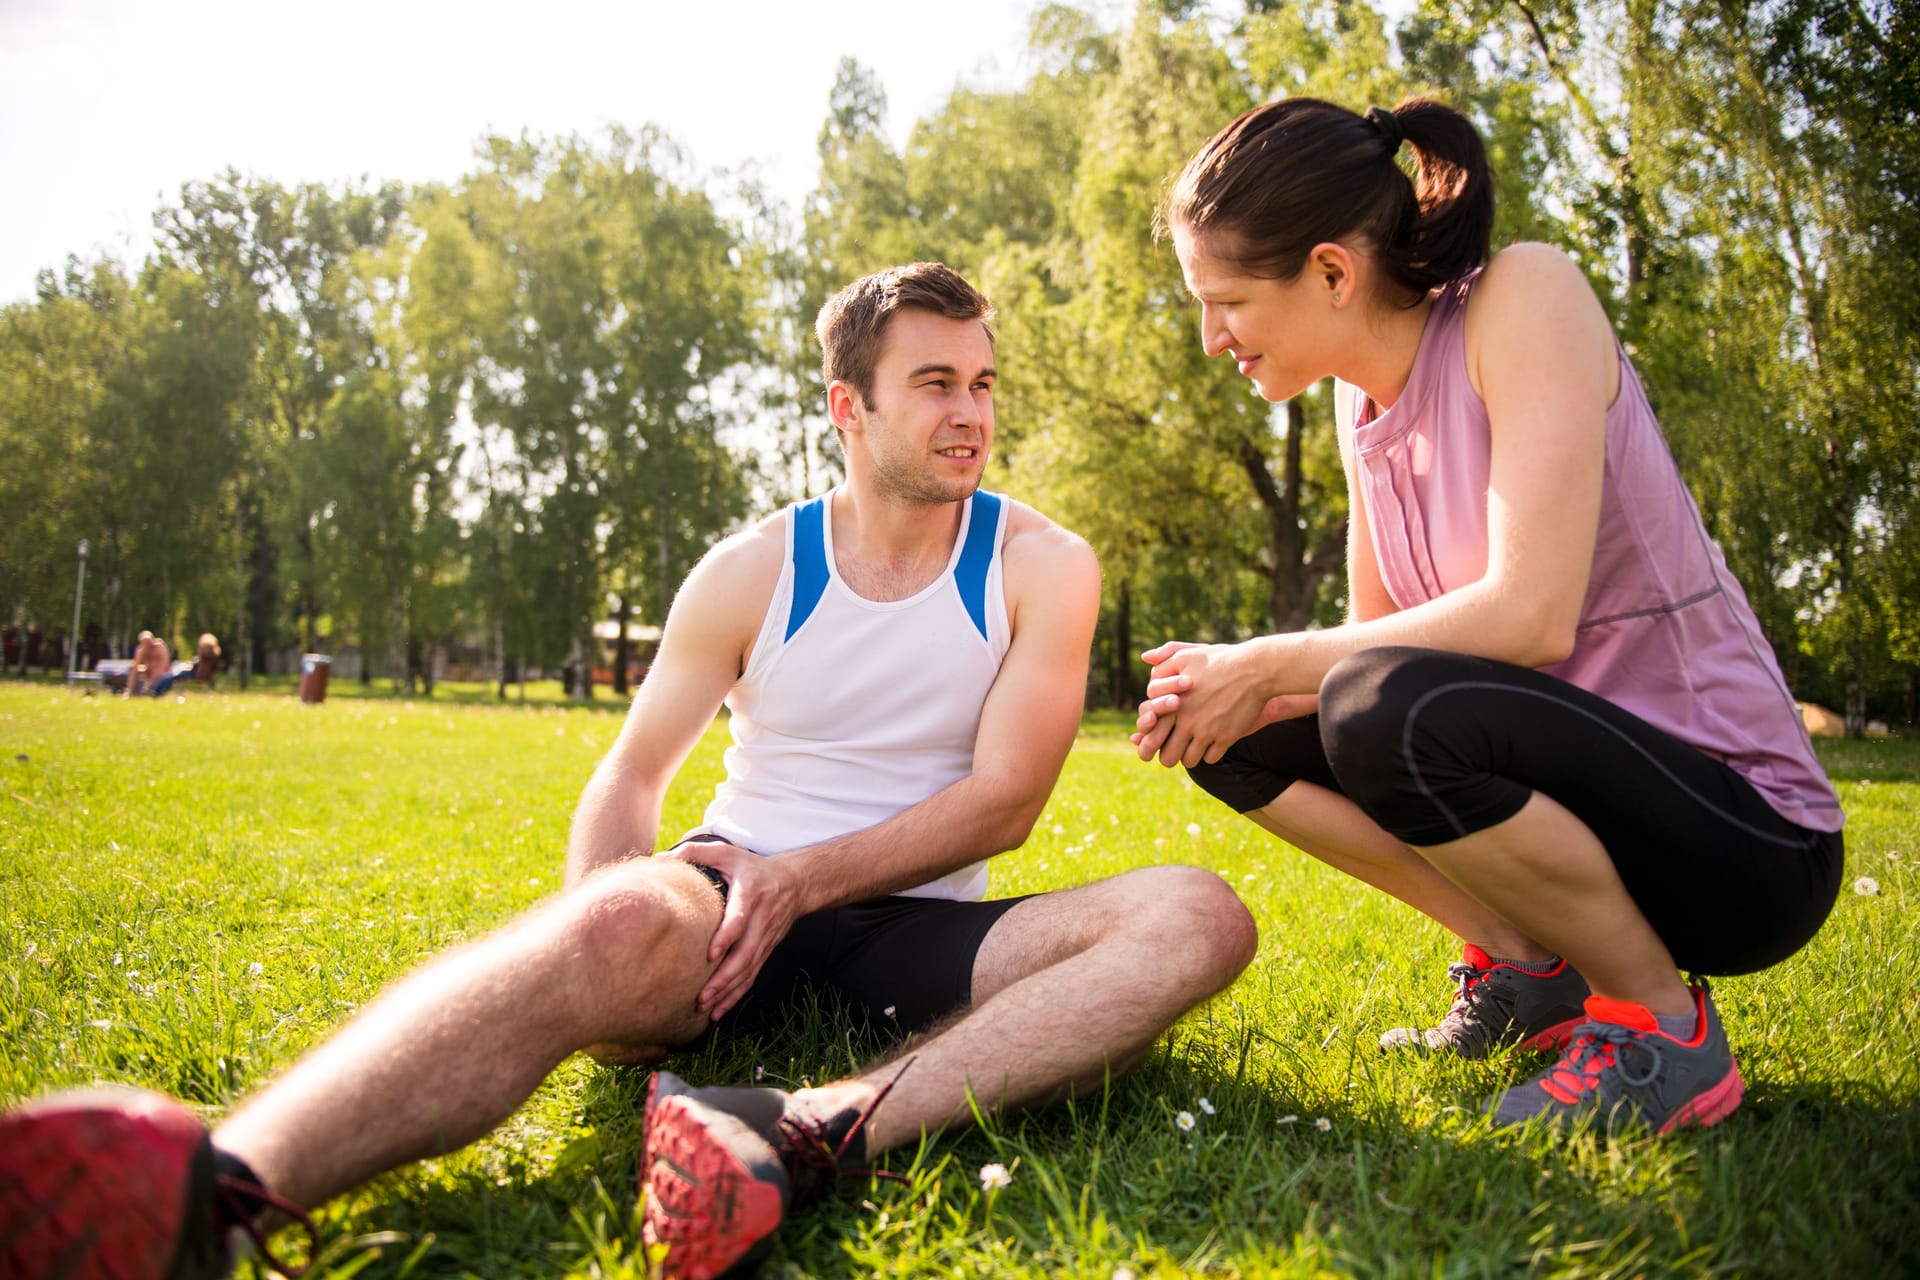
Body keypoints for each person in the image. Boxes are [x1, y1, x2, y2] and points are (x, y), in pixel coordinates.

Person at [0, 262, 1257, 1280]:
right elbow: (632, 768)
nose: (971, 414)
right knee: (605, 912)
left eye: (983, 383)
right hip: (723, 913)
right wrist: (606, 923)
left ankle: (809, 1121)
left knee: (1197, 915)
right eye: (935, 383)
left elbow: (1008, 802)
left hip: (917, 925)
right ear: (846, 405)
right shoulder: (752, 567)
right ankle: (215, 1188)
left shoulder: (1044, 561)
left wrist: (804, 880)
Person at [1133, 98, 1843, 1134]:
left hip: (1744, 837)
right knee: (1240, 730)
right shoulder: (1357, 399)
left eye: (1226, 300)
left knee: (1382, 705)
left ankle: (1664, 1029)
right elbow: (1362, 643)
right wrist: (1226, 687)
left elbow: (1530, 614)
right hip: (1583, 808)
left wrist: (1272, 653)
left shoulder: (1525, 295)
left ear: (1333, 273)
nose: (1210, 339)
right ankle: (1532, 967)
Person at [125, 629, 171, 696]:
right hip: (148, 670)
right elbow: (136, 663)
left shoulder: (159, 647)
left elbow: (165, 663)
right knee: (135, 670)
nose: (147, 644)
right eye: (144, 642)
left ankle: (146, 689)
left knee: (156, 671)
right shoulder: (142, 649)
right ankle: (129, 691)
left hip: (161, 670)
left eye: (148, 642)